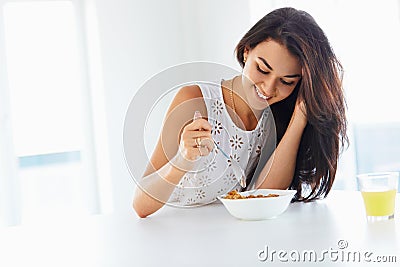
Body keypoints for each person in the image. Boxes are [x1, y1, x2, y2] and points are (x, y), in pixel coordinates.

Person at [132, 7, 348, 218]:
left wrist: (300, 117)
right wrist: (183, 159)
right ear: (246, 51)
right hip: (172, 235)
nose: (269, 88)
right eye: (262, 69)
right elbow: (141, 205)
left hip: (229, 237)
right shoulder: (195, 100)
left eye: (286, 81)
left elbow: (264, 197)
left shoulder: (277, 118)